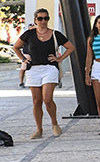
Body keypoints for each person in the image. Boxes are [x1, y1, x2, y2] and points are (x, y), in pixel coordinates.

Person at [13, 8, 73, 139]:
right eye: (40, 18)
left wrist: (59, 59)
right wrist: (23, 59)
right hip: (33, 69)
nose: (43, 21)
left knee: (47, 99)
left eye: (46, 18)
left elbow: (70, 47)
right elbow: (16, 47)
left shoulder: (55, 34)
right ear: (35, 20)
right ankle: (39, 129)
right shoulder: (28, 34)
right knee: (36, 101)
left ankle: (54, 124)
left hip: (49, 68)